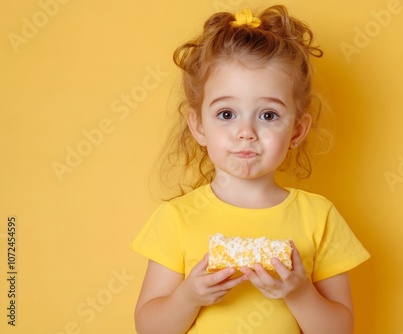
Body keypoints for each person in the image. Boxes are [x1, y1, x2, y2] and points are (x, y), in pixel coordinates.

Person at [130, 5, 370, 334]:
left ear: (297, 131)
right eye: (227, 114)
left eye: (268, 115)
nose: (246, 132)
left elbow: (339, 330)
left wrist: (299, 293)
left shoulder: (319, 217)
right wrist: (189, 296)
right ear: (198, 126)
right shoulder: (177, 218)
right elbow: (149, 328)